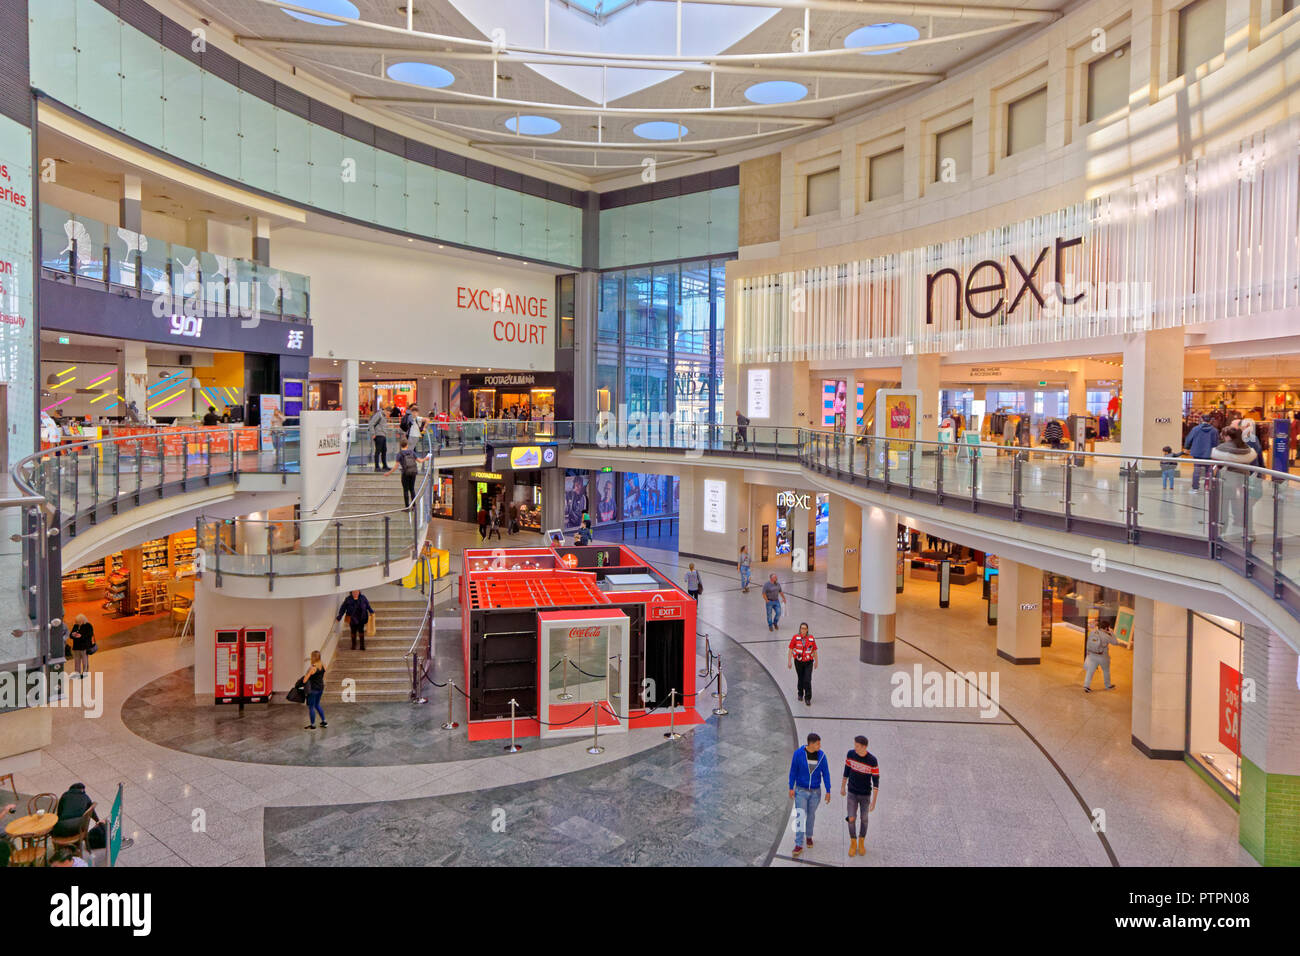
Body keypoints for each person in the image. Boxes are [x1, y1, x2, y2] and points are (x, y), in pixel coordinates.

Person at [787, 732, 831, 857]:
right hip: (801, 790)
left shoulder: (822, 756)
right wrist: (791, 787)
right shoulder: (798, 754)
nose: (820, 746)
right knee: (800, 815)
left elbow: (826, 773)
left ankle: (809, 836)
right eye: (818, 744)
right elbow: (793, 771)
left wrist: (828, 790)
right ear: (811, 744)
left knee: (811, 815)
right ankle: (799, 844)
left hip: (816, 792)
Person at [1212, 425, 1258, 533]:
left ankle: (1221, 532)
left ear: (1227, 436)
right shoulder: (1246, 447)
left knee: (1223, 508)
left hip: (1227, 482)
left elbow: (1216, 464)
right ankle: (1248, 532)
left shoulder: (1222, 448)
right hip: (1244, 482)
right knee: (1244, 508)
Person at [841, 735, 880, 858]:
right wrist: (842, 787)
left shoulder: (872, 760)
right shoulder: (851, 754)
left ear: (864, 747)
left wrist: (873, 802)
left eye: (857, 746)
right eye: (854, 745)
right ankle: (853, 842)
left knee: (864, 819)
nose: (855, 748)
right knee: (851, 818)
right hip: (852, 792)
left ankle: (861, 841)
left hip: (865, 795)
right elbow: (846, 771)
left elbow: (876, 782)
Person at [1183, 413, 1220, 493]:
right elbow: (1216, 443)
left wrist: (1186, 448)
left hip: (1197, 452)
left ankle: (1195, 488)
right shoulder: (1214, 430)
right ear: (1210, 421)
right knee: (1209, 471)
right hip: (1209, 453)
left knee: (1196, 470)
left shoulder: (1195, 429)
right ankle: (1207, 487)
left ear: (1201, 420)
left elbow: (1189, 439)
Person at [387, 438, 427, 508]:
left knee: (405, 490)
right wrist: (426, 458)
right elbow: (420, 461)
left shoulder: (399, 454)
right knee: (412, 489)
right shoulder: (412, 452)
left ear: (400, 445)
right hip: (413, 472)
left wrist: (389, 473)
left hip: (405, 473)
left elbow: (396, 466)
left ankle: (407, 507)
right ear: (407, 445)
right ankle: (414, 505)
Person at [1083, 621, 1120, 693]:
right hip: (1103, 656)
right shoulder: (1107, 636)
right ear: (1106, 628)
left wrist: (1088, 652)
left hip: (1092, 655)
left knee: (1090, 671)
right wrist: (1112, 633)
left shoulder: (1093, 632)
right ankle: (1108, 685)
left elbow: (1088, 642)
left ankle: (1086, 686)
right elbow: (1116, 643)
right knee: (1106, 671)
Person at [786, 622, 818, 706]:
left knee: (807, 679)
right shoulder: (795, 638)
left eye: (804, 628)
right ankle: (800, 693)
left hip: (808, 662)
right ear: (799, 629)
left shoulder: (811, 638)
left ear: (807, 630)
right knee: (800, 678)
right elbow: (790, 649)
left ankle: (808, 697)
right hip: (798, 662)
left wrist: (816, 662)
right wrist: (789, 661)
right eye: (801, 628)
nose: (803, 630)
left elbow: (814, 650)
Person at [302, 650, 327, 730]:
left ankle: (312, 725)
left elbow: (304, 680)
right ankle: (324, 721)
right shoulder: (323, 665)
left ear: (313, 657)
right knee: (317, 704)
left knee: (311, 707)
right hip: (320, 688)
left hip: (313, 690)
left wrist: (307, 674)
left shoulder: (312, 668)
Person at [68, 613, 93, 678]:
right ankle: (77, 673)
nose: (77, 623)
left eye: (78, 621)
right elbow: (70, 635)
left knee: (85, 661)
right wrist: (73, 635)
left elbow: (89, 635)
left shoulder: (88, 626)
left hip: (84, 647)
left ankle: (85, 673)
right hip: (76, 647)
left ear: (82, 620)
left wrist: (81, 636)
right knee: (77, 661)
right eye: (76, 621)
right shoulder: (76, 626)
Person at [368, 401, 389, 472]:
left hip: (383, 435)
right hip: (378, 435)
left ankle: (384, 466)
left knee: (384, 450)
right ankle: (376, 467)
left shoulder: (384, 416)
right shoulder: (379, 415)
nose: (388, 414)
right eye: (388, 412)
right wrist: (373, 434)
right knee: (378, 451)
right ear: (385, 410)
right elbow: (371, 424)